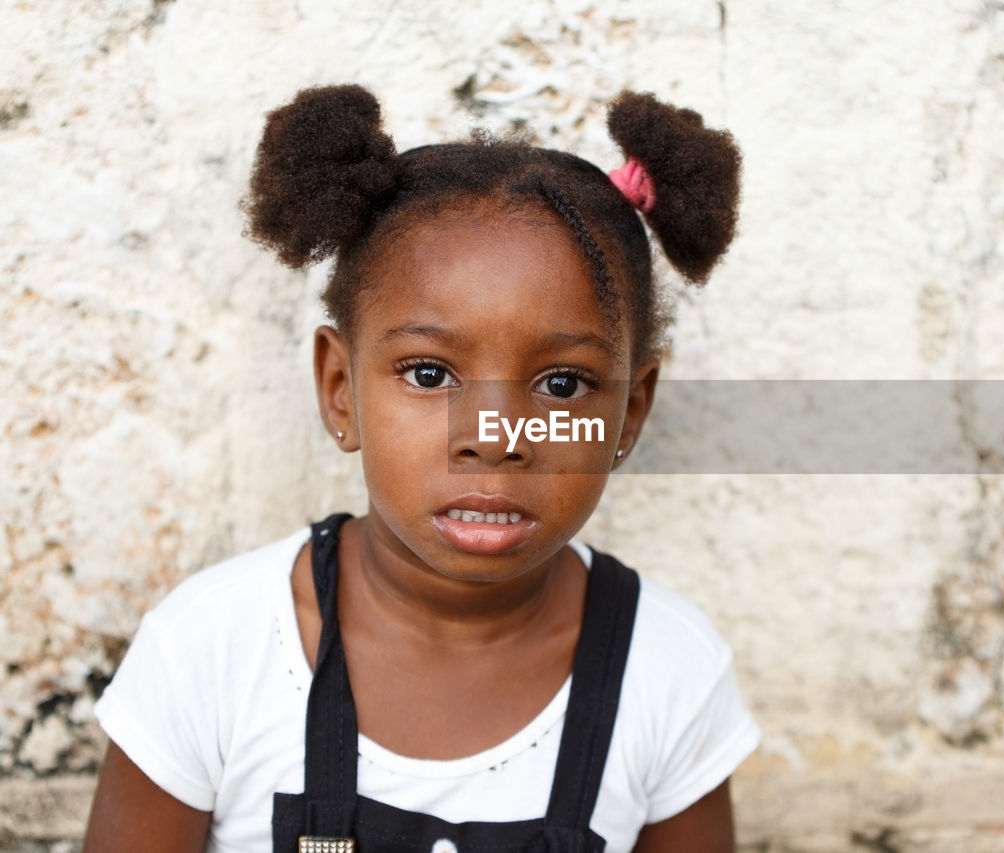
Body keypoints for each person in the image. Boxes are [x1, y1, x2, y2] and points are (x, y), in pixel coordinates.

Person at [84, 83, 758, 852]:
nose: (494, 436)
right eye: (431, 374)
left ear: (630, 413)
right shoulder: (210, 649)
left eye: (562, 384)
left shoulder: (668, 671)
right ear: (341, 390)